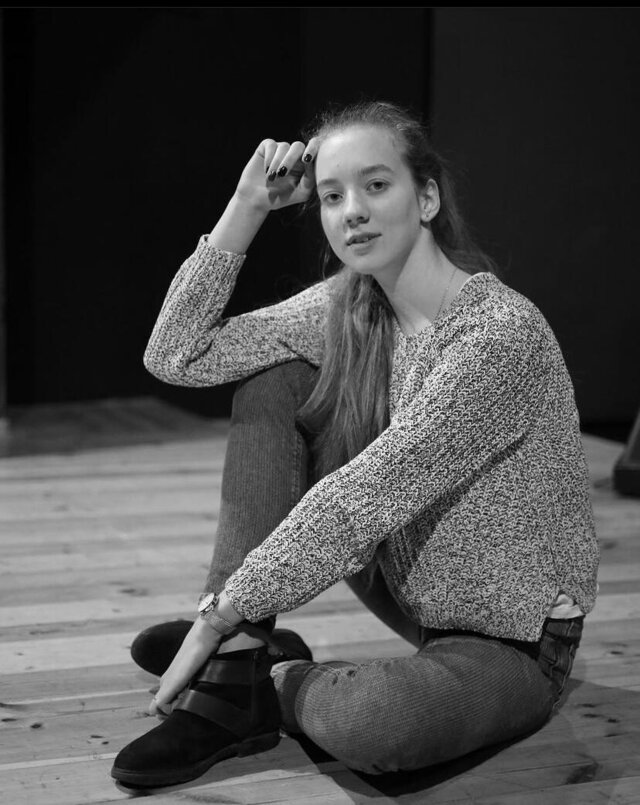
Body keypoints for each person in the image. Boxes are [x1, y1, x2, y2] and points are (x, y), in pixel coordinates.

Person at [111, 101, 600, 788]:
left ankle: (258, 675)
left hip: (513, 637)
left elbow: (367, 495)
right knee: (273, 379)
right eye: (333, 196)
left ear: (426, 198)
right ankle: (237, 666)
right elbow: (178, 355)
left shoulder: (497, 335)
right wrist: (247, 206)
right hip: (408, 586)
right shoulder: (352, 306)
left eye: (376, 185)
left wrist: (221, 615)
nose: (353, 212)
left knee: (375, 725)